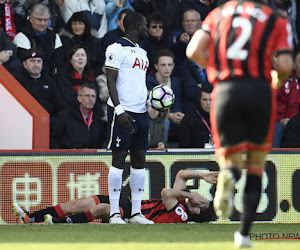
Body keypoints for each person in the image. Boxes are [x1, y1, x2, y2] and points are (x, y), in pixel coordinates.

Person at [186, 0, 293, 248]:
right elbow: (286, 65)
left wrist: (215, 68)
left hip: (225, 89)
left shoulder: (218, 14)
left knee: (229, 157)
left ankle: (227, 174)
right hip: (259, 91)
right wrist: (275, 79)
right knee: (255, 163)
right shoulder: (275, 19)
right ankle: (243, 235)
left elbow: (193, 52)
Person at [12, 169, 218, 224]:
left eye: (203, 201)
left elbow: (166, 192)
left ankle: (55, 223)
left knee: (102, 209)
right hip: (129, 204)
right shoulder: (182, 201)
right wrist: (203, 175)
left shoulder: (181, 214)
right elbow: (182, 174)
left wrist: (190, 193)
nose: (201, 197)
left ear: (197, 209)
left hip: (134, 218)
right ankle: (30, 218)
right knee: (78, 203)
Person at [105, 12, 152, 224]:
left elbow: (136, 84)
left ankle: (136, 213)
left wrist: (150, 101)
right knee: (118, 159)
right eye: (145, 25)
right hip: (123, 112)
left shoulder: (143, 52)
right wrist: (119, 110)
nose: (148, 29)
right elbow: (111, 81)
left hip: (141, 112)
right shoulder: (115, 48)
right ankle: (115, 213)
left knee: (139, 160)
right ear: (136, 25)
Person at [13, 3, 64, 76]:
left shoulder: (54, 36)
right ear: (31, 19)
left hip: (53, 79)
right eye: (39, 20)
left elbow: (60, 62)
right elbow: (26, 64)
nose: (42, 23)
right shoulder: (21, 37)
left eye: (46, 20)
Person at [50, 83, 107, 149]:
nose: (91, 99)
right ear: (79, 98)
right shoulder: (65, 116)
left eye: (93, 96)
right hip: (70, 156)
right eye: (87, 96)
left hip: (93, 157)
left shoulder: (99, 118)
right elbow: (54, 139)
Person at [14, 48, 65, 118]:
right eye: (32, 61)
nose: (36, 65)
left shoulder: (48, 81)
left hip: (48, 120)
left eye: (39, 61)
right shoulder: (17, 81)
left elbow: (59, 103)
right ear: (24, 64)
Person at [146, 48, 183, 144]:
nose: (167, 68)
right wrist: (170, 116)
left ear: (173, 66)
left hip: (170, 117)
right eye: (163, 65)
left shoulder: (175, 82)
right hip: (152, 118)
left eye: (169, 65)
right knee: (165, 123)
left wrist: (178, 115)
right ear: (156, 66)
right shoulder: (148, 81)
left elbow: (176, 104)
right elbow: (151, 107)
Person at [55, 45, 100, 111]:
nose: (80, 58)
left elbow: (96, 96)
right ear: (71, 60)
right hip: (70, 111)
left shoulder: (91, 77)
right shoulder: (63, 76)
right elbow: (68, 97)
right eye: (77, 55)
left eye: (83, 55)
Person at [60, 11, 105, 78]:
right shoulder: (65, 41)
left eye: (80, 23)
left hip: (93, 76)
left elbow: (100, 62)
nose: (77, 26)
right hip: (70, 77)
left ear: (85, 25)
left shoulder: (94, 42)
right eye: (74, 24)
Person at [273, 49, 300, 147]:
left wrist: (289, 120)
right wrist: (279, 119)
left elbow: (293, 104)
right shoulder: (265, 78)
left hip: (289, 120)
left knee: (294, 126)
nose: (279, 60)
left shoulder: (292, 80)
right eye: (276, 56)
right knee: (276, 128)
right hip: (273, 121)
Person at [167, 9, 202, 74]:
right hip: (182, 74)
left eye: (193, 21)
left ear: (200, 23)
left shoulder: (205, 36)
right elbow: (170, 42)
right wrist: (179, 39)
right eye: (187, 21)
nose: (190, 23)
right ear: (183, 23)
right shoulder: (177, 35)